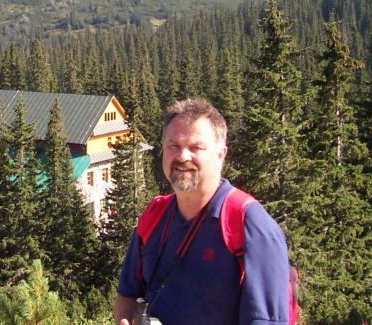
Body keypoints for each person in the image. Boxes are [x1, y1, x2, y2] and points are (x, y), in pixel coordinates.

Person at [113, 98, 291, 325]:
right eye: (173, 146)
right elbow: (128, 294)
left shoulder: (249, 225)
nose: (182, 157)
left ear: (220, 155)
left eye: (196, 147)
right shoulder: (155, 215)